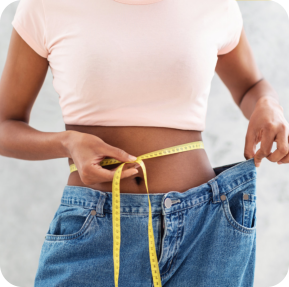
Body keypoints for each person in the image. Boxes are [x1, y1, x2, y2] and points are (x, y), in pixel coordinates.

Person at [0, 0, 288, 286]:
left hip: (206, 225)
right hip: (95, 225)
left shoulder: (214, 5)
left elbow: (251, 85)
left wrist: (267, 105)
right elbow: (5, 125)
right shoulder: (45, 6)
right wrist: (67, 143)